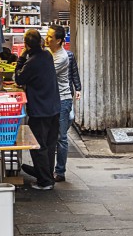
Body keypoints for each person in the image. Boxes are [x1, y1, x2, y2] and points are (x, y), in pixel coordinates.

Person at [14, 28, 60, 191]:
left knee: (38, 145)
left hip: (40, 110)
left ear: (26, 45)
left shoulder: (31, 62)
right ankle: (46, 174)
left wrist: (21, 58)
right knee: (49, 144)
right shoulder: (46, 55)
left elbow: (19, 78)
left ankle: (45, 181)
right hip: (54, 107)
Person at [45, 24, 81, 182]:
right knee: (53, 136)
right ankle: (49, 169)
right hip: (54, 100)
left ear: (59, 40)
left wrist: (78, 88)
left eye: (50, 37)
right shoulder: (49, 53)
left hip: (63, 100)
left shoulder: (62, 57)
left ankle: (60, 172)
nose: (47, 39)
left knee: (61, 137)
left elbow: (46, 75)